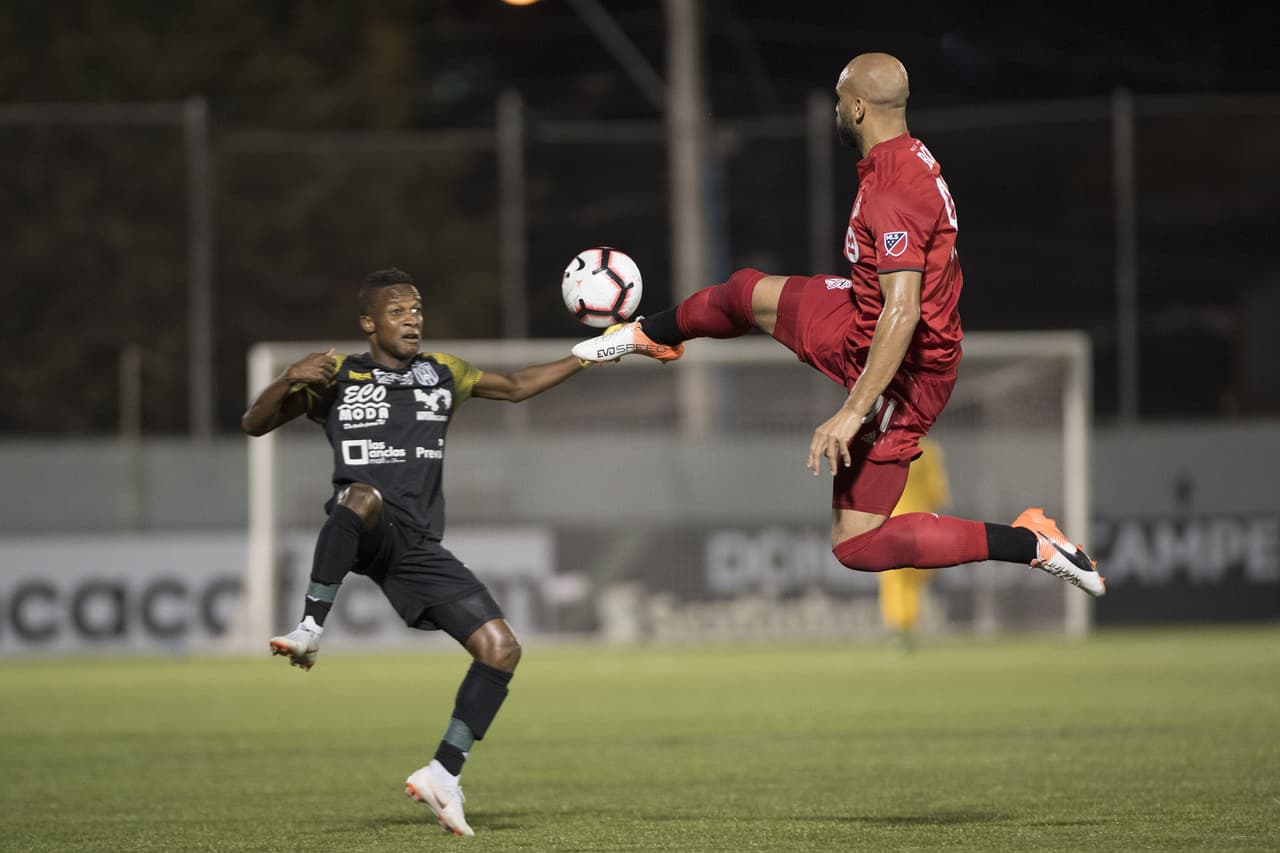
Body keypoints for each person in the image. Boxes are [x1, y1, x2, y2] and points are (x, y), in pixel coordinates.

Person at [571, 53, 1105, 598]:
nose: (834, 111)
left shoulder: (895, 188)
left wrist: (852, 412)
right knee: (744, 293)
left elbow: (904, 310)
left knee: (858, 545)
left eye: (836, 102)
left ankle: (1030, 543)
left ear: (855, 107)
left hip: (904, 371)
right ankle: (651, 335)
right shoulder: (903, 159)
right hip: (857, 317)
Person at [242, 267, 591, 837]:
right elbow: (254, 423)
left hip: (419, 546)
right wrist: (286, 379)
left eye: (418, 311)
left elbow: (519, 385)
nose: (412, 320)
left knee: (501, 648)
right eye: (399, 311)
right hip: (366, 523)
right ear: (368, 323)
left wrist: (592, 354)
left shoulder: (441, 373)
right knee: (358, 495)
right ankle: (309, 626)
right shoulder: (337, 378)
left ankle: (443, 773)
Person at [878, 437, 951, 650]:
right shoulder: (929, 451)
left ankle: (898, 628)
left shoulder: (883, 449)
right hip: (921, 526)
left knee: (893, 578)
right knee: (912, 579)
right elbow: (936, 494)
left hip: (890, 524)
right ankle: (907, 627)